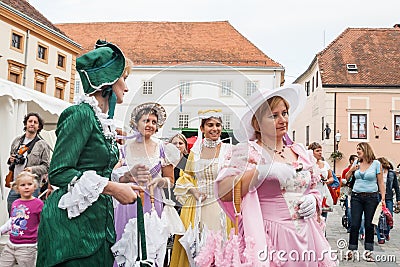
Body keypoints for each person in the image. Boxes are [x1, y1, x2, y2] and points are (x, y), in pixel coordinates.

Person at [36, 40, 141, 267]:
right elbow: (59, 172)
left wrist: (121, 179)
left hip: (95, 226)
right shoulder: (80, 114)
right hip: (72, 232)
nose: (126, 87)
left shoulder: (99, 120)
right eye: (124, 79)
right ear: (108, 82)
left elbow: (91, 170)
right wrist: (113, 188)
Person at [216, 84, 336, 266]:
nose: (283, 120)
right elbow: (224, 191)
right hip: (270, 237)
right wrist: (260, 172)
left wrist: (313, 200)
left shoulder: (300, 151)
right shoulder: (247, 152)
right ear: (257, 123)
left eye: (285, 113)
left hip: (306, 235)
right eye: (274, 115)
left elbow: (312, 188)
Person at [112, 102, 180, 267]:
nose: (150, 125)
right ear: (136, 122)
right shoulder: (123, 149)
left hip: (152, 202)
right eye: (146, 120)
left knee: (150, 244)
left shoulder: (163, 149)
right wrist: (127, 176)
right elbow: (113, 176)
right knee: (126, 243)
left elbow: (170, 180)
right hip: (127, 202)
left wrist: (159, 181)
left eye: (153, 122)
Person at [170, 109, 233, 267]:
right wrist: (193, 190)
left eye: (218, 125)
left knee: (221, 248)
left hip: (222, 207)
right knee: (197, 248)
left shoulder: (228, 151)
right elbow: (186, 176)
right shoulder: (195, 152)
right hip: (198, 207)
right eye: (210, 125)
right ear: (202, 128)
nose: (215, 128)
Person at [344, 142, 386, 261]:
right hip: (356, 196)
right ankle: (351, 250)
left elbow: (381, 182)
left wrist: (383, 197)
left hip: (371, 197)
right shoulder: (357, 163)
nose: (357, 151)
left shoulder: (376, 164)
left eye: (359, 149)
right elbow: (347, 178)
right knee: (354, 224)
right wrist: (351, 170)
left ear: (366, 150)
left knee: (369, 225)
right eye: (357, 149)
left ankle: (368, 252)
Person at [6, 112, 51, 213]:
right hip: (16, 184)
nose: (32, 124)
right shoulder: (16, 141)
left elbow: (47, 167)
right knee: (12, 213)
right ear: (26, 124)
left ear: (38, 126)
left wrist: (32, 169)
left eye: (35, 122)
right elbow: (11, 161)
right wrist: (11, 160)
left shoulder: (43, 145)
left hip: (32, 186)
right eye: (30, 121)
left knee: (29, 214)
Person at [0, 171, 43, 267]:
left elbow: (43, 223)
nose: (26, 187)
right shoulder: (15, 203)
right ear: (17, 188)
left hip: (27, 247)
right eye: (23, 185)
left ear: (35, 186)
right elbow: (12, 220)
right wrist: (1, 230)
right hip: (10, 244)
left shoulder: (38, 204)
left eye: (29, 184)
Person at [376, 157, 400, 244]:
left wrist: (398, 199)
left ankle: (386, 232)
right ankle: (380, 237)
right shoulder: (377, 173)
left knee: (389, 217)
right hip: (378, 197)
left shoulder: (391, 174)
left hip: (388, 198)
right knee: (378, 217)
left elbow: (396, 187)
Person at [308, 142, 334, 221]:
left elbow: (331, 177)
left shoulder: (325, 164)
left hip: (323, 192)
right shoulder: (308, 164)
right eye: (317, 151)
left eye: (321, 151)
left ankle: (322, 233)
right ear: (311, 152)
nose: (320, 153)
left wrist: (328, 181)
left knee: (323, 218)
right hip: (312, 192)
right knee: (312, 218)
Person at [341, 154, 358, 232]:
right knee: (348, 209)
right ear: (351, 161)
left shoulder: (359, 169)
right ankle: (350, 226)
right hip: (348, 191)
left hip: (356, 191)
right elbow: (343, 180)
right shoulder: (346, 170)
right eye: (355, 160)